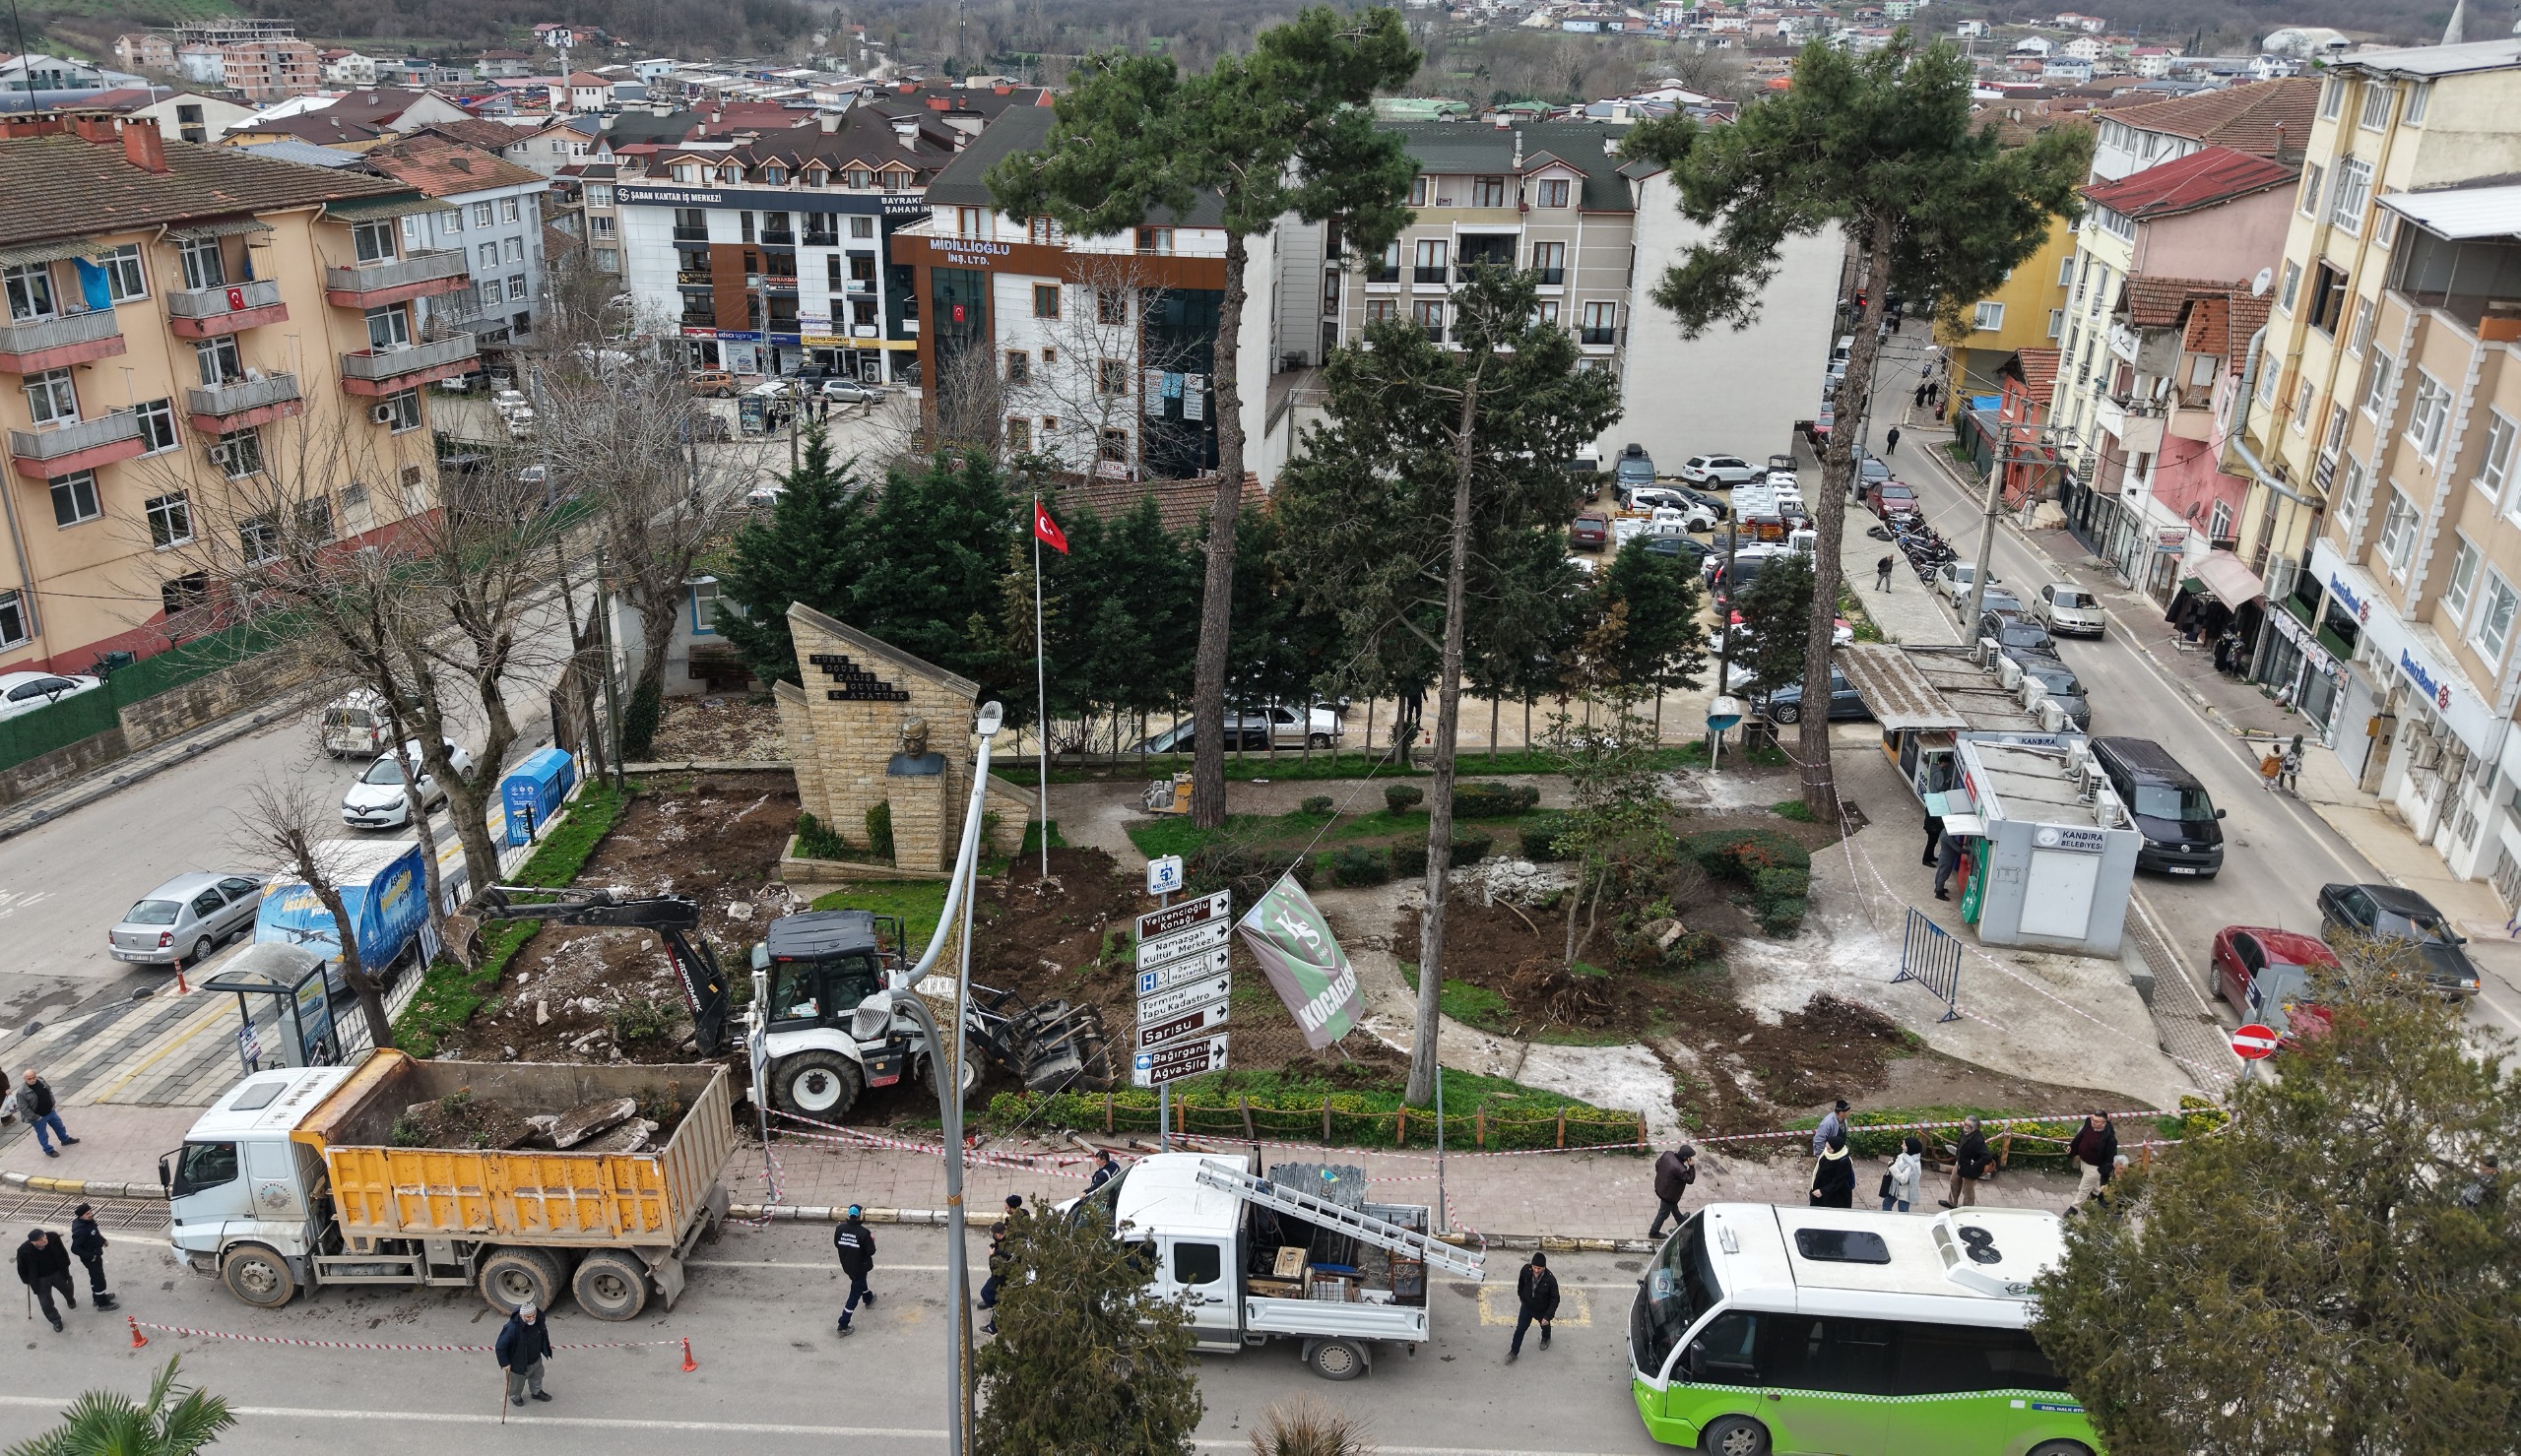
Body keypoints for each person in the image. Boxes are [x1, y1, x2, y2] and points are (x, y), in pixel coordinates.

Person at [495, 1299, 553, 1406]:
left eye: (533, 1315)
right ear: (522, 1316)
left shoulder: (538, 1320)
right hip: (519, 1363)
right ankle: (515, 1396)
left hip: (536, 1358)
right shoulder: (512, 1328)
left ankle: (536, 1392)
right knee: (517, 1383)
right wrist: (505, 1363)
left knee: (537, 1376)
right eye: (528, 1317)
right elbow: (500, 1347)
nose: (531, 1318)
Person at [15, 1229, 73, 1332]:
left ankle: (70, 1299)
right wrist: (26, 1280)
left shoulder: (53, 1237)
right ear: (33, 1242)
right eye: (41, 1240)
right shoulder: (23, 1250)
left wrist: (66, 1264)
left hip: (57, 1272)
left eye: (44, 1237)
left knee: (67, 1287)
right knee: (46, 1303)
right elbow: (21, 1267)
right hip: (40, 1279)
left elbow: (62, 1251)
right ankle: (56, 1320)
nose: (45, 1240)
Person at [1507, 1251, 1560, 1362]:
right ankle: (1513, 1352)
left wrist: (1548, 1316)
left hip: (1542, 1309)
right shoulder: (1525, 1270)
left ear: (1544, 1268)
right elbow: (1520, 1283)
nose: (1536, 1270)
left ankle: (1546, 1338)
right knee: (1520, 1329)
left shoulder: (1550, 1280)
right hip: (1527, 1306)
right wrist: (1521, 1296)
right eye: (1534, 1267)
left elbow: (1555, 1299)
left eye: (1539, 1268)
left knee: (1545, 1325)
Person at [834, 1204, 877, 1334]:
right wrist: (872, 1240)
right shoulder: (863, 1233)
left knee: (860, 1281)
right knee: (854, 1294)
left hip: (847, 1265)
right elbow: (871, 1251)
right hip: (860, 1266)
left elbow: (837, 1244)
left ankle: (868, 1298)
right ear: (859, 1216)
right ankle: (843, 1323)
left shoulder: (840, 1229)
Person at [12, 1072, 72, 1157]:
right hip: (38, 1117)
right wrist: (36, 1117)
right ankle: (48, 1150)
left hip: (50, 1112)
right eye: (29, 1079)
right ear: (24, 1079)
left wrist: (52, 1102)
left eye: (33, 1077)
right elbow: (23, 1108)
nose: (32, 1080)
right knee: (43, 1135)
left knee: (59, 1126)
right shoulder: (21, 1092)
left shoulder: (40, 1080)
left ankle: (65, 1140)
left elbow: (49, 1090)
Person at [1648, 1144, 1699, 1239]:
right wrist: (1691, 1167)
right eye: (1689, 1157)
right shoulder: (1680, 1169)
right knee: (1663, 1212)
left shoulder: (1668, 1154)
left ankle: (1680, 1219)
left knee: (1672, 1205)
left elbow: (1657, 1164)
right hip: (1668, 1193)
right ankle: (1654, 1231)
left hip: (1661, 1186)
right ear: (1685, 1157)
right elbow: (1690, 1180)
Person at [67, 1204, 112, 1310]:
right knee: (99, 1279)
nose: (90, 1214)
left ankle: (98, 1297)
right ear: (81, 1216)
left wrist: (103, 1240)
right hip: (91, 1258)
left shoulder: (88, 1222)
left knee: (95, 1278)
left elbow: (94, 1234)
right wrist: (90, 1256)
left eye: (90, 1212)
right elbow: (75, 1248)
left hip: (95, 1253)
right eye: (87, 1214)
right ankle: (103, 1303)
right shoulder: (80, 1230)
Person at [2069, 1112, 2117, 1209]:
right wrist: (2072, 1146)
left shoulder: (2110, 1139)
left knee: (2083, 1188)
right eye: (2093, 1120)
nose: (2093, 1123)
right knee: (2093, 1183)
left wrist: (2101, 1171)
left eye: (2096, 1121)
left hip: (2095, 1167)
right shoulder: (2088, 1125)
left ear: (2104, 1123)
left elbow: (2110, 1157)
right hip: (2083, 1162)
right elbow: (2080, 1136)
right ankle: (2099, 1196)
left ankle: (2074, 1208)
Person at [1941, 1115, 1990, 1208]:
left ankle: (1967, 1208)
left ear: (1974, 1127)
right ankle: (1951, 1202)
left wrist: (1975, 1165)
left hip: (1970, 1169)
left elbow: (1986, 1156)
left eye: (1966, 1125)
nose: (1964, 1126)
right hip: (1960, 1163)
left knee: (1967, 1190)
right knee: (1954, 1182)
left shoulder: (1978, 1140)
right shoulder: (1965, 1133)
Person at [1810, 1133, 1856, 1208]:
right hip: (1820, 1191)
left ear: (1836, 1149)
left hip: (1835, 1196)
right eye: (1826, 1147)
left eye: (1829, 1149)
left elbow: (1838, 1181)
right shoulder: (1827, 1153)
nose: (1827, 1150)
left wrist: (1823, 1191)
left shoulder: (1845, 1162)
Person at [1882, 1135, 1924, 1213]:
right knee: (1886, 1204)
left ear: (1910, 1147)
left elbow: (1903, 1179)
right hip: (1894, 1188)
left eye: (1904, 1145)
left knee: (1903, 1210)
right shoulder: (1903, 1156)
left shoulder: (1914, 1165)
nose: (1902, 1146)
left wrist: (1892, 1167)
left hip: (1905, 1193)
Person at [1934, 832, 1966, 901]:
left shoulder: (1943, 832)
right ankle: (1939, 893)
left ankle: (1938, 888)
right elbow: (1957, 849)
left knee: (1940, 873)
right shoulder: (1948, 837)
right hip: (1947, 859)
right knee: (1943, 875)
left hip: (1943, 857)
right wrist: (1968, 851)